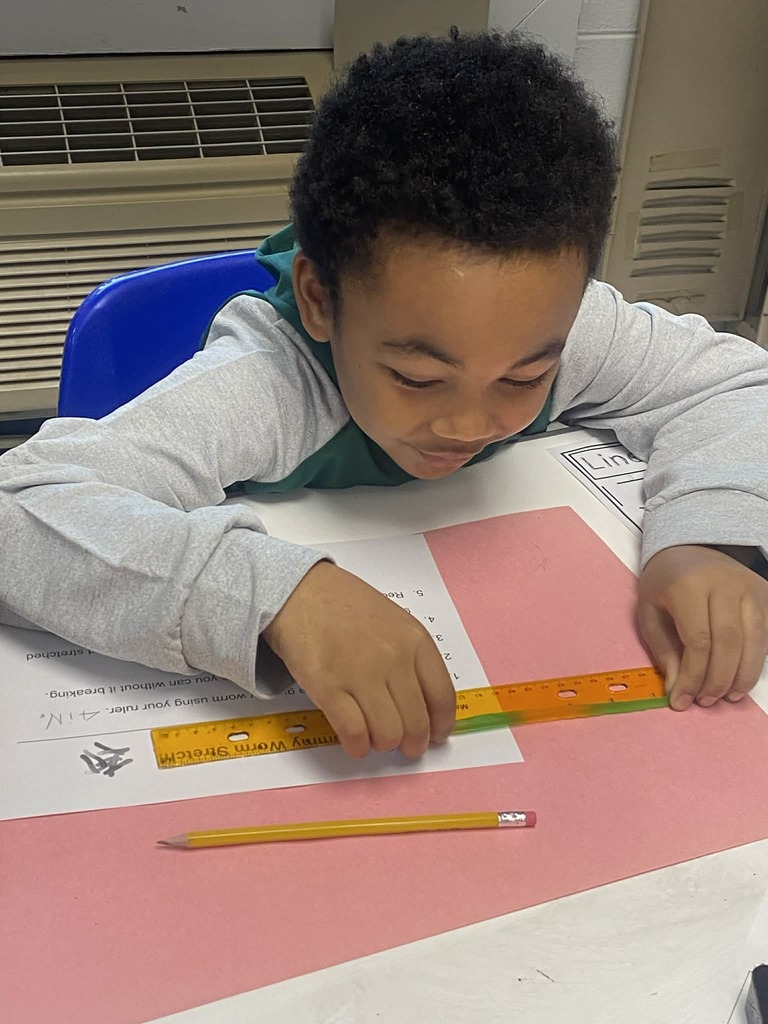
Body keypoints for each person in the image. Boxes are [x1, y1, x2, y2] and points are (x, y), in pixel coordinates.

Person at [1, 30, 766, 760]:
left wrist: (708, 533)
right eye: (417, 378)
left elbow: (735, 380)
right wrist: (277, 597)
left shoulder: (572, 330)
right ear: (320, 302)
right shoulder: (270, 382)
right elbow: (22, 507)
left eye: (525, 377)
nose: (470, 422)